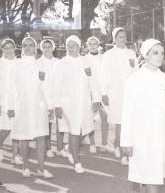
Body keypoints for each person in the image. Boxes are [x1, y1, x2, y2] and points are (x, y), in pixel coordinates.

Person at [120, 38, 165, 193]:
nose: (160, 56)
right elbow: (127, 113)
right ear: (146, 55)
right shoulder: (134, 80)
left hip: (160, 136)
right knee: (151, 181)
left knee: (152, 179)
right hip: (141, 138)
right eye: (155, 53)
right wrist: (125, 141)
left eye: (161, 53)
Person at [53, 35, 101, 173]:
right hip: (68, 104)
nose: (71, 48)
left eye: (73, 45)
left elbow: (93, 82)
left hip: (84, 102)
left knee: (85, 129)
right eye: (68, 45)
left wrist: (96, 99)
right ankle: (77, 161)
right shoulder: (61, 63)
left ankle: (69, 148)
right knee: (75, 130)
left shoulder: (87, 62)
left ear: (79, 46)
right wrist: (57, 105)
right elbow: (56, 86)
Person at [11, 36, 53, 178]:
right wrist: (10, 105)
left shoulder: (41, 64)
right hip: (22, 105)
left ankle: (41, 168)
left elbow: (47, 87)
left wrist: (50, 106)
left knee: (41, 137)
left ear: (35, 48)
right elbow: (11, 87)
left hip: (39, 105)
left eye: (31, 45)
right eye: (25, 45)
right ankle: (26, 166)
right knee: (24, 137)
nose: (28, 47)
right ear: (21, 48)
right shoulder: (16, 64)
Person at [100, 27, 138, 165]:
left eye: (124, 36)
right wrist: (103, 93)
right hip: (115, 94)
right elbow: (103, 75)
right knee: (120, 124)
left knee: (129, 123)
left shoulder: (131, 53)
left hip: (130, 93)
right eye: (120, 36)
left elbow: (136, 74)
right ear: (114, 39)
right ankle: (123, 154)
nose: (123, 39)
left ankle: (119, 145)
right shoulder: (108, 55)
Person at [84, 36, 111, 154]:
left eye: (95, 44)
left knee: (105, 118)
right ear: (87, 46)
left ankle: (104, 143)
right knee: (91, 120)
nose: (93, 46)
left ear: (98, 45)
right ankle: (92, 143)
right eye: (90, 44)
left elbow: (107, 75)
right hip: (90, 92)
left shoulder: (103, 57)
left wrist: (106, 92)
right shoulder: (84, 59)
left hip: (103, 91)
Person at [0, 38, 23, 165]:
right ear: (2, 49)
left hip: (18, 100)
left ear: (15, 48)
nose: (8, 50)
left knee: (17, 129)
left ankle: (16, 156)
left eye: (11, 47)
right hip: (3, 99)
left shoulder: (19, 63)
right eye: (6, 48)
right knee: (5, 128)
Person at [37, 37, 59, 159]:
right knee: (47, 125)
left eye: (49, 47)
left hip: (57, 96)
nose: (47, 49)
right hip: (44, 98)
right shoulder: (38, 62)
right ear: (41, 48)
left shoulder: (58, 62)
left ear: (53, 48)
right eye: (44, 47)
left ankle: (60, 148)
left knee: (59, 124)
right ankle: (48, 148)